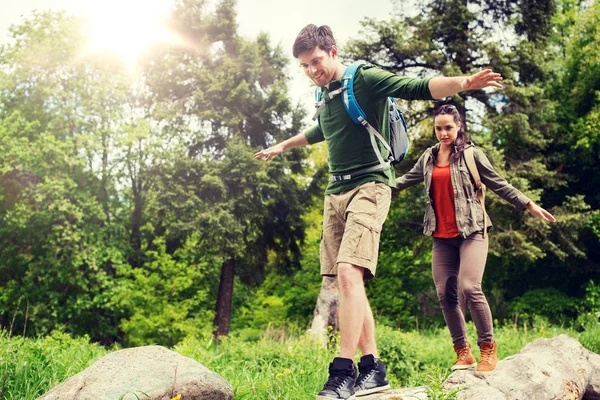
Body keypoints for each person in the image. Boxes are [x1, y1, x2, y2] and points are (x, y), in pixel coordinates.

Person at [254, 24, 503, 400]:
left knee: (349, 272)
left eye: (316, 62)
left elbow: (415, 87)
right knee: (344, 281)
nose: (311, 71)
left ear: (333, 52)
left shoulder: (364, 78)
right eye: (304, 66)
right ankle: (373, 368)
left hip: (370, 186)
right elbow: (322, 129)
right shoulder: (326, 93)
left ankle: (343, 372)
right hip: (335, 191)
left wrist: (466, 82)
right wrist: (284, 146)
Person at [396, 104, 556, 376]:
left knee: (469, 287)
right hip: (441, 236)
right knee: (445, 294)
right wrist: (374, 187)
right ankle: (463, 352)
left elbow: (499, 184)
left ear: (458, 126)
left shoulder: (471, 155)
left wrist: (529, 204)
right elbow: (403, 181)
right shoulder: (428, 158)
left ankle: (487, 348)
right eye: (438, 128)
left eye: (448, 127)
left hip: (473, 230)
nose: (443, 133)